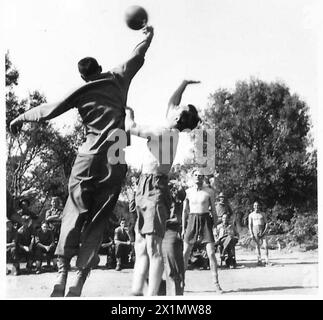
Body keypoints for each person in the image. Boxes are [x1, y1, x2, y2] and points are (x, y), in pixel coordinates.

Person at [10, 25, 154, 297]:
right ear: (99, 67)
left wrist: (19, 118)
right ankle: (79, 278)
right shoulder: (117, 77)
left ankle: (62, 275)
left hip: (87, 156)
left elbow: (47, 110)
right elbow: (137, 55)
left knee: (73, 212)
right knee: (98, 219)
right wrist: (148, 37)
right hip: (115, 155)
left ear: (82, 76)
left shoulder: (81, 90)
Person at [126, 80, 201, 296]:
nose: (174, 106)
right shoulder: (173, 128)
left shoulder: (162, 131)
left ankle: (150, 296)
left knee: (153, 248)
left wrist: (128, 112)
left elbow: (130, 127)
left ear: (177, 117)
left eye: (178, 108)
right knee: (141, 245)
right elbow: (172, 102)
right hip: (145, 185)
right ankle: (136, 292)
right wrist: (184, 83)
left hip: (154, 187)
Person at [182, 169, 222, 293]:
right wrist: (183, 228)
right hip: (192, 220)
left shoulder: (209, 191)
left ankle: (216, 283)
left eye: (200, 176)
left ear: (203, 178)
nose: (198, 177)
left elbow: (214, 211)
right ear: (192, 177)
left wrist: (215, 227)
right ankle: (181, 283)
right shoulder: (188, 192)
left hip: (205, 220)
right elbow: (184, 211)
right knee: (185, 253)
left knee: (211, 253)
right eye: (196, 175)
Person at [159, 182, 186, 295]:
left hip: (169, 232)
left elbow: (182, 194)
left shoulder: (174, 199)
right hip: (155, 235)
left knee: (173, 271)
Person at [248, 201, 270, 266]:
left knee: (265, 245)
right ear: (253, 206)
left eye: (257, 205)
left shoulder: (263, 214)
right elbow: (250, 225)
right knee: (257, 246)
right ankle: (259, 260)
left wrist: (264, 231)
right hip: (255, 230)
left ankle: (266, 259)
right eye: (255, 205)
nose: (256, 207)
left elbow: (266, 223)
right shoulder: (251, 215)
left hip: (262, 229)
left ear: (259, 206)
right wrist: (251, 233)